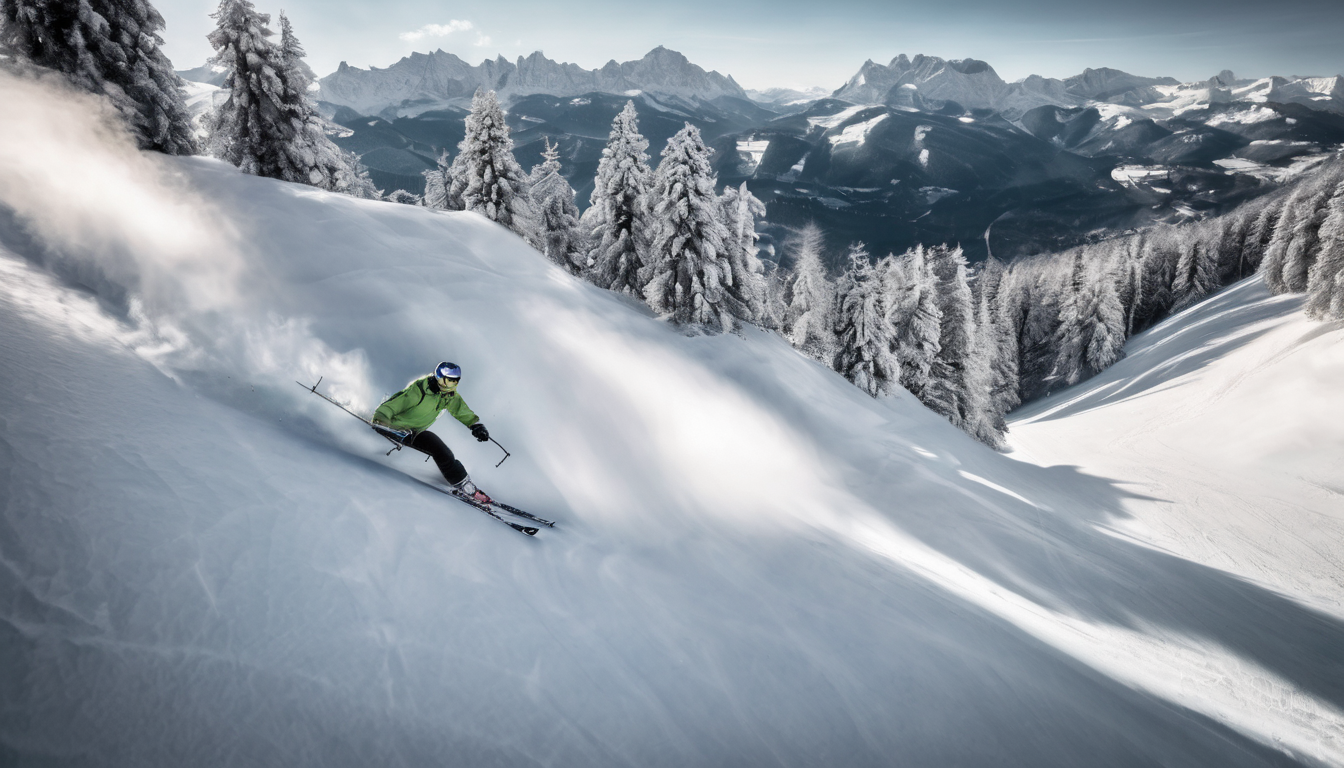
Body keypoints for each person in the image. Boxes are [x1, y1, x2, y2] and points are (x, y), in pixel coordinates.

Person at [371, 361, 493, 502]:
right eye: (449, 382)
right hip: (397, 428)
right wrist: (382, 423)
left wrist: (475, 425)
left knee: (443, 451)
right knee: (437, 447)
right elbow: (390, 407)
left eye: (455, 382)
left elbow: (461, 410)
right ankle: (465, 488)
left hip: (415, 432)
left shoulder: (448, 395)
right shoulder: (419, 391)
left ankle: (466, 487)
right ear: (440, 378)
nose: (451, 386)